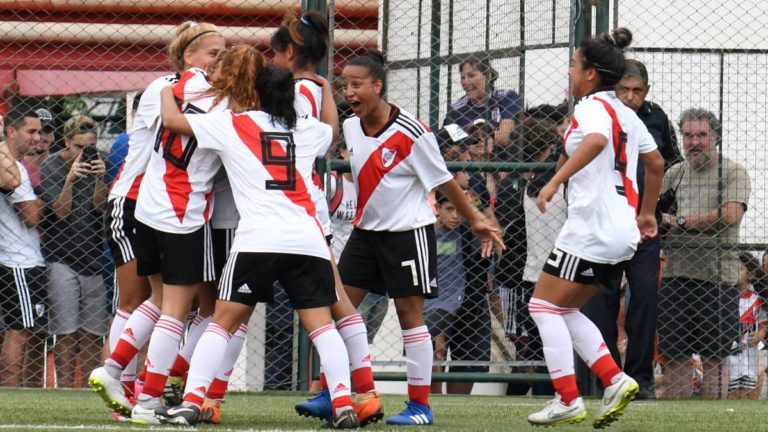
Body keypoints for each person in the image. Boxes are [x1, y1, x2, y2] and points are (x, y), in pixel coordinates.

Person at [153, 63, 361, 429]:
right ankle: (344, 404)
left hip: (258, 239)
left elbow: (173, 122)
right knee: (323, 327)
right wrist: (327, 88)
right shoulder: (307, 129)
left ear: (253, 94)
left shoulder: (235, 123)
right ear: (292, 97)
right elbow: (331, 126)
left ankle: (191, 403)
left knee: (221, 325)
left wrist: (166, 90)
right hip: (307, 240)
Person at [337, 49, 503, 426]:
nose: (349, 91)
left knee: (412, 318)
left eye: (357, 84)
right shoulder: (350, 126)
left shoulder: (412, 131)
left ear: (377, 86)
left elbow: (443, 179)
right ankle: (337, 393)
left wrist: (475, 220)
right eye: (345, 85)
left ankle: (420, 407)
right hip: (365, 235)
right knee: (339, 310)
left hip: (406, 235)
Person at [525, 28, 664, 427]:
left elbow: (598, 142)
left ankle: (566, 397)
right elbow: (655, 164)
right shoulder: (626, 112)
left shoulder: (591, 108)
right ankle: (614, 378)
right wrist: (648, 213)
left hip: (590, 226)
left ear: (589, 74)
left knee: (540, 305)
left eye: (573, 64)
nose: (569, 70)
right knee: (564, 307)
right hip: (622, 231)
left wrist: (554, 181)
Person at [87, 21, 226, 422]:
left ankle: (126, 381)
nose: (221, 59)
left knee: (160, 301)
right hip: (140, 201)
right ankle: (131, 393)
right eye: (214, 52)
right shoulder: (169, 89)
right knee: (140, 302)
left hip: (159, 202)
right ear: (189, 56)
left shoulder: (180, 88)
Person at [270, 12, 383, 426]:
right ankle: (357, 391)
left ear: (289, 52)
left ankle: (201, 395)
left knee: (234, 310)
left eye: (275, 52)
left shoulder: (296, 91)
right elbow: (326, 137)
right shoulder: (312, 89)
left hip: (290, 207)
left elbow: (301, 141)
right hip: (301, 207)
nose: (272, 60)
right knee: (335, 303)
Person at [582, 58, 684, 399]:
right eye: (623, 89)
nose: (629, 97)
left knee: (644, 299)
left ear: (647, 90)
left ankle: (641, 379)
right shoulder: (599, 113)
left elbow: (671, 164)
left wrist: (659, 211)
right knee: (600, 301)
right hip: (606, 223)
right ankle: (608, 379)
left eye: (636, 91)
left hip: (645, 226)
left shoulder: (656, 118)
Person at [657, 108, 751, 398]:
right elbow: (654, 213)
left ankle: (714, 413)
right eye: (688, 135)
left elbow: (731, 214)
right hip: (675, 272)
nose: (694, 142)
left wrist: (680, 222)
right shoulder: (674, 173)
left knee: (714, 356)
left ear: (716, 137)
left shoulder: (733, 172)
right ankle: (676, 416)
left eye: (701, 135)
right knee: (674, 352)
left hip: (718, 277)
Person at [495, 116, 564, 397]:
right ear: (547, 149)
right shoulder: (555, 186)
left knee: (540, 346)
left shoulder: (530, 188)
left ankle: (548, 395)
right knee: (550, 347)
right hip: (557, 274)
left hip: (535, 276)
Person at [40, 114, 109, 388]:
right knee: (66, 331)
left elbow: (102, 208)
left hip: (93, 256)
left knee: (93, 331)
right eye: (79, 147)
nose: (85, 153)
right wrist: (70, 180)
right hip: (61, 257)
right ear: (67, 141)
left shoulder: (102, 162)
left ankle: (90, 387)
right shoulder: (52, 166)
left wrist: (100, 178)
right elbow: (60, 211)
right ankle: (66, 387)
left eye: (89, 146)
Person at [0, 108, 45, 387]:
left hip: (20, 256)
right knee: (19, 330)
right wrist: (40, 202)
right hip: (18, 260)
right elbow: (33, 216)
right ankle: (10, 390)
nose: (38, 138)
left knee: (20, 330)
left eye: (40, 132)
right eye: (31, 131)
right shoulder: (7, 164)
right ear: (12, 131)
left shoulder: (13, 163)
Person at [424, 191, 467, 394]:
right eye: (449, 209)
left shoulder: (464, 233)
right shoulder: (427, 233)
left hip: (454, 297)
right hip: (431, 298)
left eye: (459, 210)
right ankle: (434, 396)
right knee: (435, 352)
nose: (455, 216)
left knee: (440, 350)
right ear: (437, 209)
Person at [443, 57, 520, 150]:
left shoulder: (506, 97)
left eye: (471, 75)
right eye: (462, 77)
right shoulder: (456, 109)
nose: (465, 81)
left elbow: (503, 137)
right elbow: (444, 140)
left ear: (488, 76)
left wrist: (469, 141)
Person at [726, 253, 768, 400]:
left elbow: (763, 323)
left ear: (751, 275)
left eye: (740, 268)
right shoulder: (724, 297)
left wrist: (760, 334)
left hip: (749, 356)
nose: (735, 271)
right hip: (729, 356)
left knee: (747, 395)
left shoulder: (756, 300)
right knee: (730, 393)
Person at [21, 107, 55, 190]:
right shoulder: (17, 164)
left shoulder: (59, 164)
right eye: (38, 131)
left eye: (47, 131)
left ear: (53, 136)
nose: (42, 137)